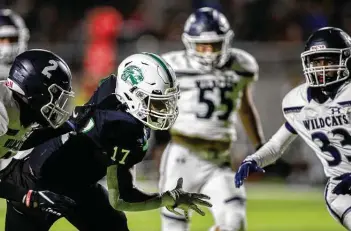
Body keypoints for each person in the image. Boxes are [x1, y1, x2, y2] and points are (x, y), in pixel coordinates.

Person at [3, 52, 212, 231]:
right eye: (157, 103)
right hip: (36, 182)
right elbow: (123, 197)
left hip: (79, 186)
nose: (164, 111)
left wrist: (166, 198)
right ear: (133, 95)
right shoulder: (115, 125)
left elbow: (121, 198)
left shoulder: (120, 111)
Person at [155, 7, 265, 231]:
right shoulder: (172, 66)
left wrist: (260, 146)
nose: (208, 52)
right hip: (183, 157)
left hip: (220, 160)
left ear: (226, 41)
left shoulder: (241, 65)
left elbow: (245, 108)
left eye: (214, 45)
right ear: (188, 43)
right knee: (175, 226)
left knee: (235, 220)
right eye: (202, 46)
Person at [235, 27, 351, 230]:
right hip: (342, 190)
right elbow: (277, 144)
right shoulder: (297, 103)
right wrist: (255, 159)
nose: (321, 68)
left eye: (329, 61)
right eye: (317, 62)